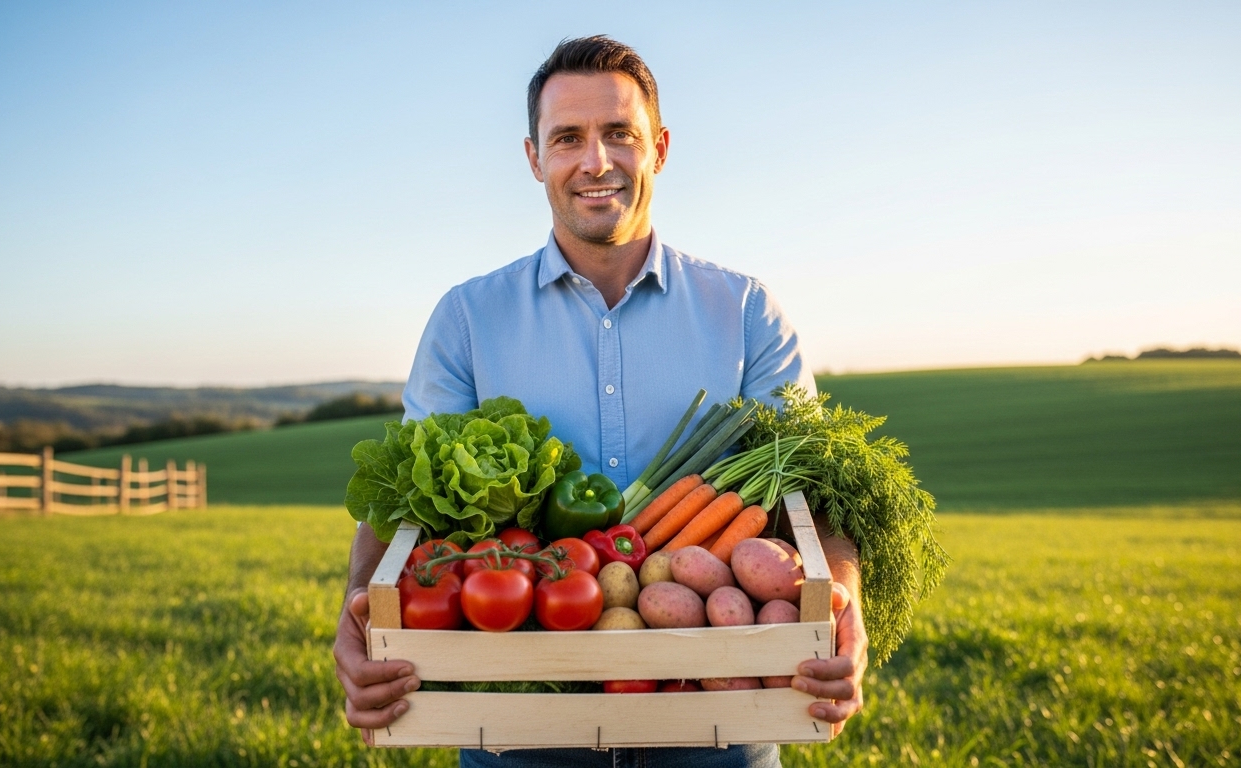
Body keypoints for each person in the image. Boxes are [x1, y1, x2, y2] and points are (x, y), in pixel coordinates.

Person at [332, 36, 868, 767]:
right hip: (518, 732)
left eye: (620, 134)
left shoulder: (744, 311)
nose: (596, 162)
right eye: (568, 138)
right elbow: (402, 502)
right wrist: (357, 611)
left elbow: (818, 495)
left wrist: (842, 596)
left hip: (721, 727)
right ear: (533, 158)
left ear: (661, 147)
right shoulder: (467, 318)